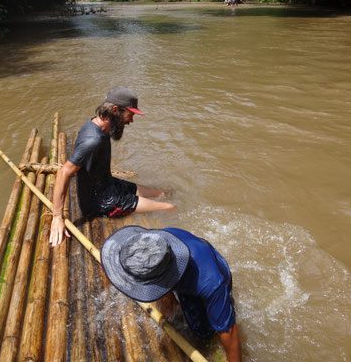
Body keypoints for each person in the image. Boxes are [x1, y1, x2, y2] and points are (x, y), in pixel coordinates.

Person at [50, 87, 174, 247]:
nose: (131, 121)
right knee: (169, 207)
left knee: (162, 193)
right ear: (116, 110)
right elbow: (64, 171)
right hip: (106, 203)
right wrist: (57, 217)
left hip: (109, 185)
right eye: (131, 114)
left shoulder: (97, 123)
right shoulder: (92, 140)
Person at [101, 225, 243, 362]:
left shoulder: (211, 284)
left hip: (207, 272)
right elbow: (157, 266)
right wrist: (165, 294)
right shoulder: (155, 243)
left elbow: (229, 331)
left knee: (204, 333)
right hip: (186, 269)